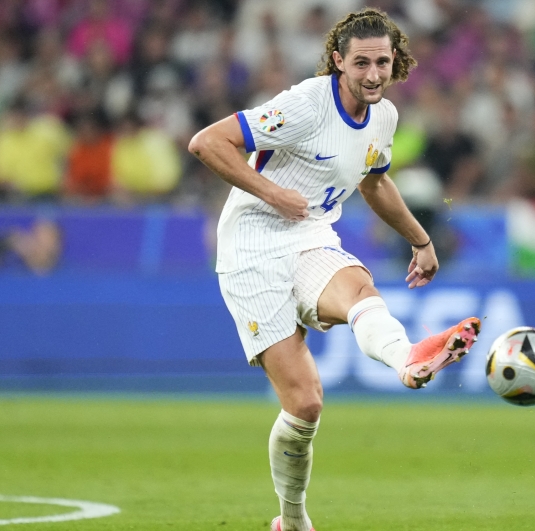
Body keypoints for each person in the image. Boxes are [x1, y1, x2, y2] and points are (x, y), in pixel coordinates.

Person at [186, 9, 481, 531]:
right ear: (338, 61)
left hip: (311, 234)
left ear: (396, 63)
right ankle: (293, 521)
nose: (372, 74)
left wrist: (420, 239)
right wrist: (273, 192)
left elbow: (373, 182)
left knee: (360, 290)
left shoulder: (384, 117)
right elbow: (207, 143)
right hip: (251, 246)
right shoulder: (305, 105)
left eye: (382, 63)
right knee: (305, 405)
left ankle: (407, 359)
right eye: (361, 63)